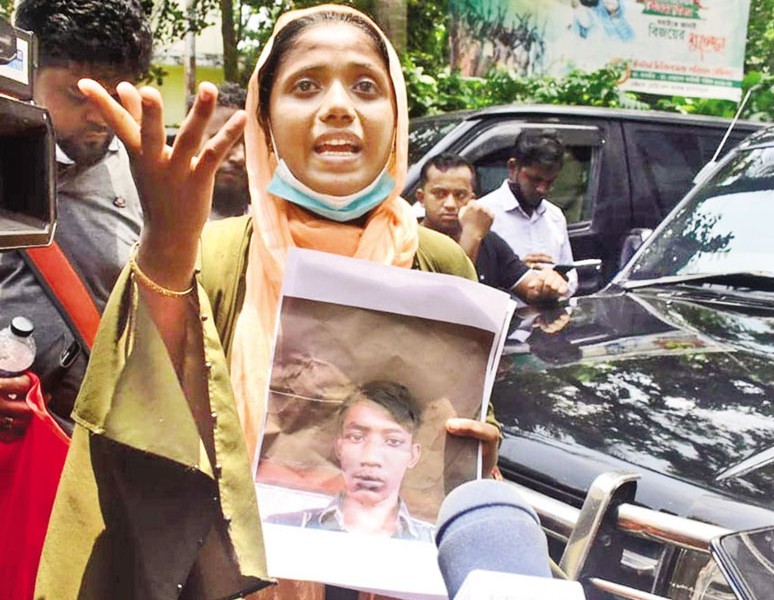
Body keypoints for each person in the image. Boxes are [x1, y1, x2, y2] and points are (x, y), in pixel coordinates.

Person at [37, 5, 501, 599]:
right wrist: (167, 246)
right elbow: (142, 439)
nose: (338, 105)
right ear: (266, 118)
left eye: (366, 86)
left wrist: (477, 457)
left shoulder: (441, 264)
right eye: (305, 85)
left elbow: (470, 436)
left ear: (396, 113)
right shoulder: (210, 255)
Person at [0, 0, 151, 438]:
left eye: (117, 92)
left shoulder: (148, 174)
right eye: (78, 94)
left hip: (97, 449)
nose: (100, 114)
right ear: (26, 72)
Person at [268, 381, 434, 541]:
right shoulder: (279, 530)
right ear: (339, 447)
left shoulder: (436, 547)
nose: (371, 458)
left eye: (393, 442)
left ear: (413, 455)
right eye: (356, 437)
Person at [418, 153, 568, 304]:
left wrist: (548, 284)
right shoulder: (408, 243)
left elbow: (530, 287)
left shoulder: (488, 241)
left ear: (472, 199)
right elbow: (447, 304)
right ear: (421, 198)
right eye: (440, 194)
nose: (450, 204)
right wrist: (471, 236)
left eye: (460, 195)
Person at [478, 130, 579, 298]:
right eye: (535, 180)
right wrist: (515, 274)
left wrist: (557, 280)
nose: (543, 189)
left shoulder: (555, 216)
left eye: (550, 182)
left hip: (549, 319)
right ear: (513, 168)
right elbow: (471, 283)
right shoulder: (484, 214)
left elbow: (571, 277)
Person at [189, 81, 251, 219]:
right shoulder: (160, 221)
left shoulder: (269, 225)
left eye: (248, 145)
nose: (240, 157)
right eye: (224, 141)